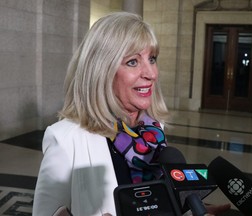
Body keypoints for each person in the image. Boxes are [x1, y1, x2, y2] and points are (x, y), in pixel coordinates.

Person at [33, 12, 230, 216]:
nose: (151, 74)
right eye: (133, 62)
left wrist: (187, 212)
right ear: (101, 70)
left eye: (152, 59)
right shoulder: (65, 140)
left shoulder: (153, 131)